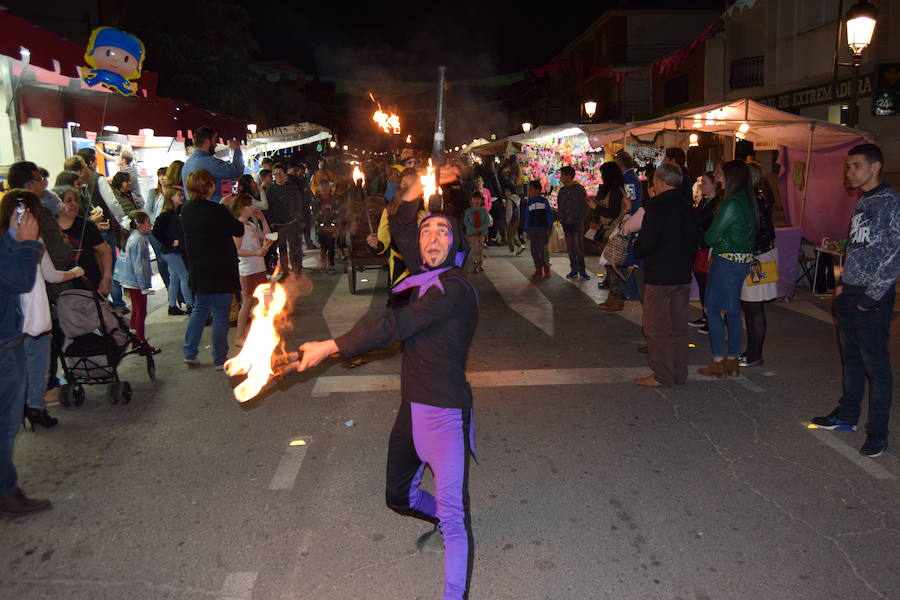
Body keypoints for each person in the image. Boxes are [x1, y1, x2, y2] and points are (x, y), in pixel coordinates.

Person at [296, 188, 478, 600]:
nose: (431, 239)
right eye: (426, 231)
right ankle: (441, 521)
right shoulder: (424, 277)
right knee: (399, 497)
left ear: (457, 244)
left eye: (443, 233)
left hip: (447, 417)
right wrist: (410, 196)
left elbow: (394, 327)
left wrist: (329, 347)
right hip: (411, 412)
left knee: (456, 521)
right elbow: (400, 229)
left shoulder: (455, 290)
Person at [810, 143, 899, 458]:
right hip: (850, 291)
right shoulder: (863, 202)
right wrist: (841, 282)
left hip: (872, 296)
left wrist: (870, 298)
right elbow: (857, 246)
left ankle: (877, 433)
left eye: (856, 166)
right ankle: (846, 416)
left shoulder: (890, 202)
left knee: (877, 367)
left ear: (875, 167)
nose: (850, 172)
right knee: (851, 360)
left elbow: (894, 255)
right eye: (849, 166)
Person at [5, 191, 84, 430]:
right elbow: (50, 275)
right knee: (38, 363)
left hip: (7, 321)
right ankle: (35, 408)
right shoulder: (34, 241)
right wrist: (75, 272)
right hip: (34, 317)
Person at [0, 192, 52, 516]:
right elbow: (19, 280)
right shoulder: (12, 242)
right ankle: (6, 491)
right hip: (4, 343)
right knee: (5, 424)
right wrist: (29, 243)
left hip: (8, 339)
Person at [632, 164, 700, 387]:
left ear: (660, 182)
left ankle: (662, 374)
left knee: (656, 326)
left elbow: (647, 243)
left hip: (660, 274)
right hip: (682, 273)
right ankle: (679, 373)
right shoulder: (688, 206)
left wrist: (636, 246)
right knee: (678, 326)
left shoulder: (657, 207)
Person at [697, 160, 757, 378]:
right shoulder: (748, 200)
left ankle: (717, 361)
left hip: (726, 261)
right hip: (741, 261)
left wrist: (717, 236)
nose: (718, 177)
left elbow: (710, 236)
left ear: (732, 177)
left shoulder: (731, 203)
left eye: (721, 174)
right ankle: (732, 360)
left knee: (712, 309)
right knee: (732, 310)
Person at [181, 169, 244, 368]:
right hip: (221, 269)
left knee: (199, 310)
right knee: (220, 315)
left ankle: (189, 352)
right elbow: (237, 229)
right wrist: (228, 210)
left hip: (199, 268)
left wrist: (220, 208)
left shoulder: (187, 209)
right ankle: (219, 359)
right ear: (209, 187)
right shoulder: (218, 211)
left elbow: (205, 219)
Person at [739, 161, 778, 367]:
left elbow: (764, 232)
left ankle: (755, 354)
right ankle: (752, 352)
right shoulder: (756, 198)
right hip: (759, 256)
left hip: (757, 258)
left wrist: (750, 250)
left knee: (754, 308)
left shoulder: (755, 200)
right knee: (751, 307)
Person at [76, 148, 126, 311]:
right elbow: (112, 203)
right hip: (101, 228)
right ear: (90, 163)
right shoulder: (97, 179)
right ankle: (117, 304)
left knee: (97, 267)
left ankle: (105, 303)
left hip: (87, 232)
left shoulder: (74, 183)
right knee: (110, 266)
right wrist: (123, 221)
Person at [113, 210, 160, 355]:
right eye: (147, 222)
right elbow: (139, 265)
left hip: (128, 279)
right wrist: (143, 286)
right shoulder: (139, 239)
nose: (150, 224)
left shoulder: (131, 236)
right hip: (135, 281)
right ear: (139, 225)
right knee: (141, 312)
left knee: (136, 312)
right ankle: (141, 343)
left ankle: (135, 341)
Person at [229, 194, 272, 346]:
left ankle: (256, 332)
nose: (253, 208)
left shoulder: (251, 225)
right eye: (250, 205)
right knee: (247, 302)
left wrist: (262, 219)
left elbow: (268, 237)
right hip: (248, 270)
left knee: (259, 302)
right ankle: (239, 336)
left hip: (259, 268)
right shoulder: (239, 226)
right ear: (241, 208)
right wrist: (256, 253)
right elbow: (235, 250)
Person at [592, 162, 630, 310]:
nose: (601, 177)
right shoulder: (612, 190)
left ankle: (616, 299)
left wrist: (595, 207)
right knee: (609, 268)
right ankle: (612, 298)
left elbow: (612, 212)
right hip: (608, 231)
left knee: (613, 268)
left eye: (603, 174)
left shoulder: (615, 191)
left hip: (612, 232)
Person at [152, 187, 194, 315]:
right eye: (178, 195)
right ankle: (189, 304)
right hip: (170, 251)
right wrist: (170, 241)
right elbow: (156, 231)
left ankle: (172, 306)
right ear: (171, 197)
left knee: (175, 278)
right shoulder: (166, 215)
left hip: (171, 251)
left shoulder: (175, 213)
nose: (181, 197)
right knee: (184, 276)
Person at [689, 172, 722, 333]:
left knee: (707, 284)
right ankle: (705, 315)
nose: (701, 185)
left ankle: (710, 318)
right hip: (700, 245)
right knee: (702, 283)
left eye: (704, 182)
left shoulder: (717, 203)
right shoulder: (703, 201)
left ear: (714, 184)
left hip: (708, 247)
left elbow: (701, 221)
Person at [181, 126, 244, 204]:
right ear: (207, 142)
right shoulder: (208, 161)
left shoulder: (186, 164)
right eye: (214, 141)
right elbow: (236, 171)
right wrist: (237, 149)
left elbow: (230, 182)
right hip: (211, 210)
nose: (216, 145)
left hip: (195, 210)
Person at [267, 163, 305, 276]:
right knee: (282, 249)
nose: (278, 176)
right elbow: (269, 206)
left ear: (285, 174)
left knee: (295, 248)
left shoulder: (292, 187)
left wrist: (299, 217)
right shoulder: (271, 189)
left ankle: (297, 271)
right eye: (276, 174)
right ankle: (285, 272)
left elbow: (299, 203)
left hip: (292, 222)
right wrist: (271, 221)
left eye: (281, 173)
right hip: (278, 224)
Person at [556, 165, 590, 279]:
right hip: (566, 223)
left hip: (576, 223)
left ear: (569, 176)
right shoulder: (562, 190)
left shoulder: (579, 189)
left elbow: (585, 206)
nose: (560, 177)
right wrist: (561, 217)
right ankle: (574, 269)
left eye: (562, 175)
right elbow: (560, 205)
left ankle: (582, 269)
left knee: (578, 247)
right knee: (570, 247)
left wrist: (580, 219)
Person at [524, 180, 553, 279]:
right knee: (534, 249)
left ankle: (546, 268)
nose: (529, 192)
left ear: (537, 190)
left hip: (543, 230)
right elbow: (527, 217)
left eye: (531, 190)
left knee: (543, 249)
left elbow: (549, 215)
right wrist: (527, 230)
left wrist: (549, 227)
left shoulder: (544, 201)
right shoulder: (529, 203)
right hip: (533, 230)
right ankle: (538, 268)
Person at [312, 181, 339, 273]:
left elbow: (338, 212)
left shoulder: (335, 199)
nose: (324, 189)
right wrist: (321, 225)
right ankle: (323, 263)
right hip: (321, 227)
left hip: (332, 226)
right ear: (319, 189)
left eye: (326, 187)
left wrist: (334, 226)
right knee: (323, 246)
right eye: (322, 187)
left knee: (331, 246)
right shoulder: (316, 200)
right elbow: (314, 214)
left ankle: (331, 264)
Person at [463, 191, 489, 273]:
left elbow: (486, 221)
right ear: (471, 200)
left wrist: (481, 229)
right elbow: (466, 222)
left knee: (480, 248)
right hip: (471, 233)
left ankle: (480, 263)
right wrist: (473, 228)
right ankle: (475, 264)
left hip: (481, 233)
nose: (476, 201)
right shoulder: (468, 211)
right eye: (475, 199)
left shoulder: (484, 211)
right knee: (474, 248)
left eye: (478, 199)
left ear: (482, 200)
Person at [503, 184, 524, 255]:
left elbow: (509, 212)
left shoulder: (509, 200)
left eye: (506, 191)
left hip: (511, 220)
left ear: (509, 191)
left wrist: (507, 221)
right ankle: (520, 245)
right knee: (513, 235)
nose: (505, 193)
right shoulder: (517, 198)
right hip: (517, 219)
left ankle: (512, 250)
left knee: (509, 236)